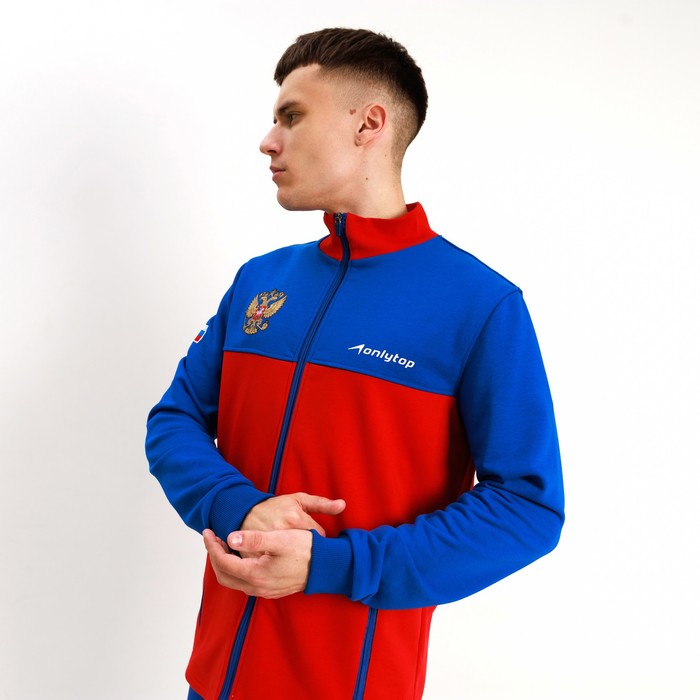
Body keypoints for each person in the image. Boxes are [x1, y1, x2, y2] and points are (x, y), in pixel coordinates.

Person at [146, 27, 564, 700]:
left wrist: (332, 564)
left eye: (292, 116)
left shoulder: (479, 305)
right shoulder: (260, 282)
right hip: (215, 679)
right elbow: (173, 421)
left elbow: (527, 508)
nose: (268, 141)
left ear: (369, 124)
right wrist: (239, 508)